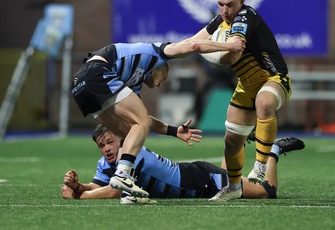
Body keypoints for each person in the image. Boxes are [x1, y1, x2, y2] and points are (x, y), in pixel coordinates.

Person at [70, 38, 245, 198]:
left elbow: (143, 120)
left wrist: (174, 131)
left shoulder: (131, 84)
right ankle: (122, 175)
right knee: (139, 123)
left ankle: (131, 191)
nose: (161, 83)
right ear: (160, 67)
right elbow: (194, 45)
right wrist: (229, 46)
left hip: (79, 85)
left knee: (129, 131)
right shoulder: (157, 52)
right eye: (164, 77)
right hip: (97, 73)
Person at [183, 0, 292, 201]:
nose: (225, 9)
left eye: (230, 4)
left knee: (264, 103)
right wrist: (165, 53)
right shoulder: (219, 20)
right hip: (246, 87)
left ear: (241, 1)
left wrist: (201, 49)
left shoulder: (244, 17)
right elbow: (193, 41)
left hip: (273, 78)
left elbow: (229, 57)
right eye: (221, 4)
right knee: (231, 142)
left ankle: (261, 165)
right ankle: (233, 188)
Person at [61, 125, 305, 203]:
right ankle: (238, 142)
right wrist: (80, 185)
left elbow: (115, 191)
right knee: (226, 172)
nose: (107, 149)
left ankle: (273, 150)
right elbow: (99, 184)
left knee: (267, 192)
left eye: (110, 142)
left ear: (121, 139)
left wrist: (78, 196)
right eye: (102, 146)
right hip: (199, 178)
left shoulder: (131, 154)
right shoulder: (106, 162)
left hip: (201, 181)